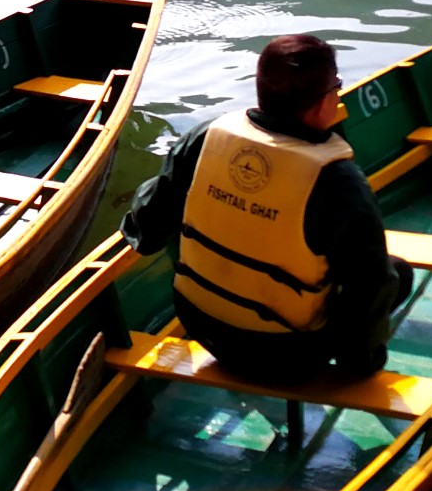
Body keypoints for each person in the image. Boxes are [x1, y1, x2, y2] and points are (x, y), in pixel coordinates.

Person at [121, 33, 412, 384]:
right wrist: (361, 364)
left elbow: (146, 229)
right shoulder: (337, 181)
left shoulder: (204, 138)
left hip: (199, 323)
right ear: (323, 103)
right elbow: (370, 284)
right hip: (287, 352)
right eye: (336, 86)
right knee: (396, 274)